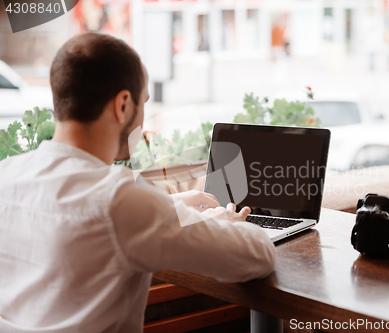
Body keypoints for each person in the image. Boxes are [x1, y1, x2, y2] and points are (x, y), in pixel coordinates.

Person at [0, 32, 276, 332]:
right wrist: (224, 222)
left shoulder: (7, 174)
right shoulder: (120, 201)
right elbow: (258, 255)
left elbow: (84, 218)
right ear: (122, 105)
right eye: (143, 102)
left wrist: (171, 206)